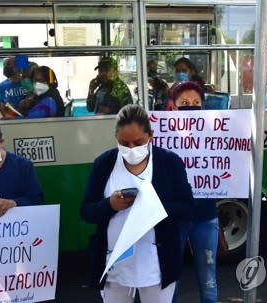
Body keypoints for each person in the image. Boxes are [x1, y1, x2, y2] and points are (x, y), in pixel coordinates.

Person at [80, 104, 194, 302]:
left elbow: (188, 207)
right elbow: (86, 211)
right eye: (124, 143)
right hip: (115, 266)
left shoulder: (169, 162)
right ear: (116, 138)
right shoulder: (104, 164)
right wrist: (109, 205)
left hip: (156, 267)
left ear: (151, 135)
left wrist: (154, 209)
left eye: (138, 142)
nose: (131, 149)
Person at [168, 81, 219, 303]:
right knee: (170, 278)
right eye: (185, 103)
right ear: (173, 105)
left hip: (205, 215)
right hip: (173, 218)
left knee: (208, 276)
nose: (191, 107)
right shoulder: (160, 133)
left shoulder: (215, 132)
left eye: (196, 102)